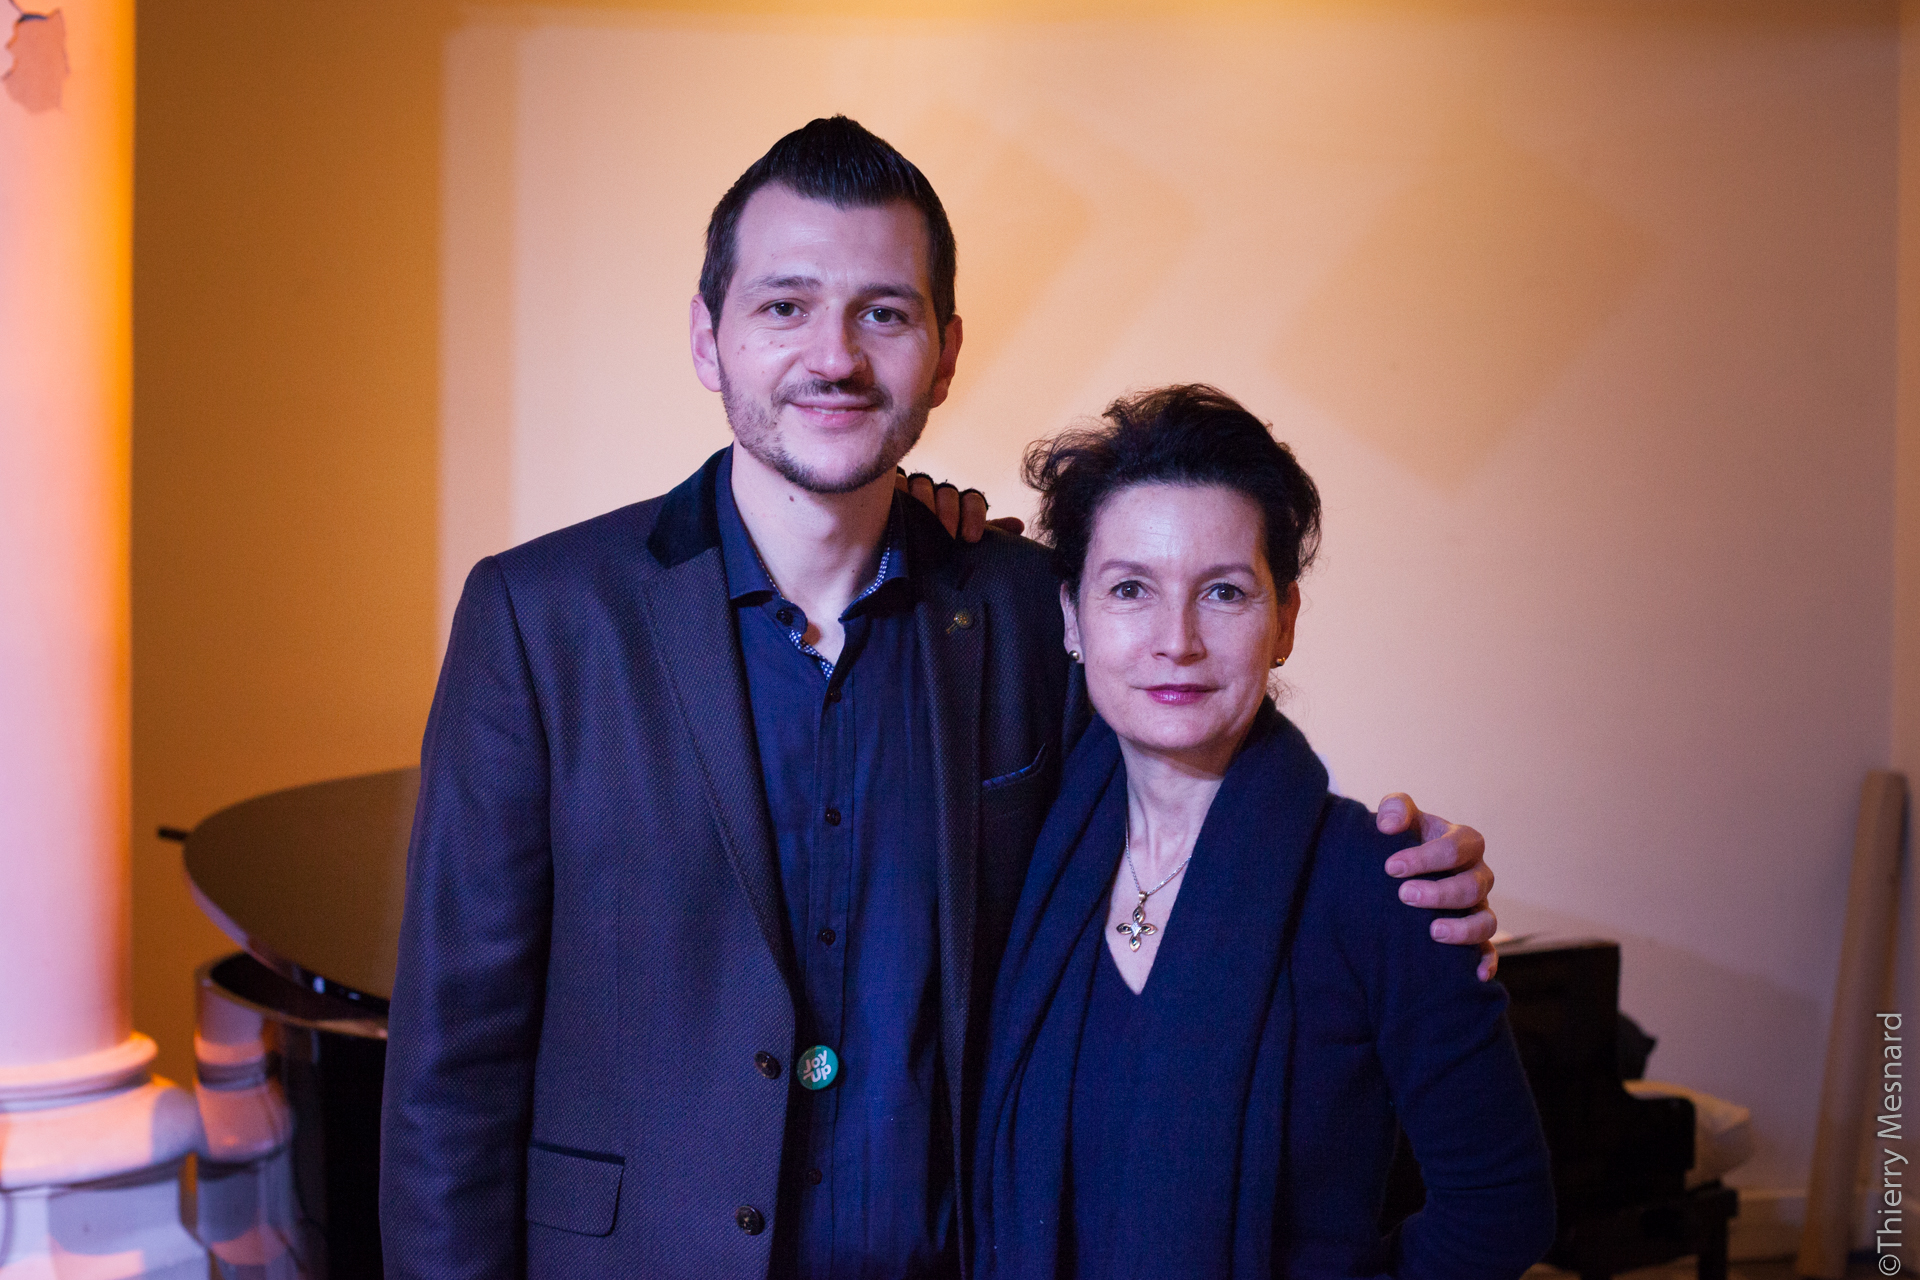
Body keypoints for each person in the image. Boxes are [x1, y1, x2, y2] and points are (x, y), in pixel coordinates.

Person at [379, 117, 1501, 1280]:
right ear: (709, 338)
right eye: (785, 306)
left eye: (884, 313)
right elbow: (452, 1062)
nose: (835, 356)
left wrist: (1391, 875)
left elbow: (1194, 778)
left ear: (945, 353)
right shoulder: (540, 616)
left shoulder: (1027, 608)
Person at [976, 385, 1556, 1279]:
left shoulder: (1380, 883)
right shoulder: (1034, 856)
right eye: (1129, 589)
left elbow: (1503, 1209)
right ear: (1072, 619)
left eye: (1224, 592)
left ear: (1284, 620)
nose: (1176, 640)